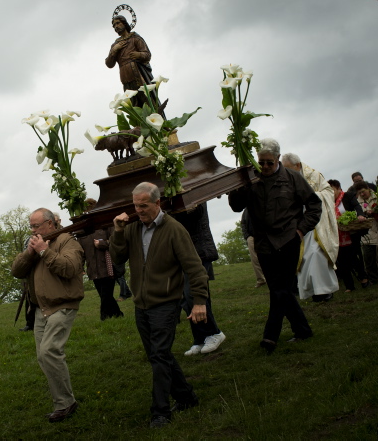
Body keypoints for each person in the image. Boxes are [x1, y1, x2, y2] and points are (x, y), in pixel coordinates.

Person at [109, 182, 208, 428]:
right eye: (136, 206)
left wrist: (199, 302)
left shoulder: (174, 229)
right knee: (158, 355)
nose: (139, 210)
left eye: (144, 206)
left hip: (165, 303)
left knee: (159, 356)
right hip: (141, 304)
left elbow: (195, 268)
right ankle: (186, 397)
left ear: (157, 203)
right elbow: (117, 258)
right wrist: (118, 232)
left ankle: (160, 412)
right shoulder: (131, 229)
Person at [228, 139, 320, 353]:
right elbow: (235, 206)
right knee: (280, 290)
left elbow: (314, 205)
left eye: (270, 162)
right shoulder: (250, 178)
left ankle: (270, 337)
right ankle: (303, 330)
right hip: (263, 243)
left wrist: (301, 229)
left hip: (288, 239)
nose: (266, 167)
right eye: (261, 162)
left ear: (278, 158)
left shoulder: (293, 178)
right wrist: (240, 184)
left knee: (280, 289)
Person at [11, 208, 85, 423]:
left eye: (37, 226)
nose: (33, 230)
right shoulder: (33, 243)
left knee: (49, 351)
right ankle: (63, 402)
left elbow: (70, 269)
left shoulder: (67, 240)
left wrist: (45, 251)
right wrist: (30, 253)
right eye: (31, 226)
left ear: (51, 224)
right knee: (44, 356)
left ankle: (65, 403)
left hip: (62, 304)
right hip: (40, 309)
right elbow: (16, 271)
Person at [280, 153, 339, 302]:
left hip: (317, 223)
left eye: (289, 168)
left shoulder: (314, 175)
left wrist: (311, 196)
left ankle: (324, 290)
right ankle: (312, 291)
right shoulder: (286, 179)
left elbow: (328, 193)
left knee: (316, 254)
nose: (286, 172)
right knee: (304, 257)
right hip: (300, 224)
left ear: (297, 165)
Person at [172, 203, 226, 356]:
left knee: (194, 295)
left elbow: (195, 213)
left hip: (198, 250)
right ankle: (200, 338)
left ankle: (214, 333)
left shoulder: (192, 192)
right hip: (183, 253)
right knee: (187, 298)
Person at [328, 179, 370, 291]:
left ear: (338, 188)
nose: (331, 193)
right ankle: (349, 286)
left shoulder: (347, 196)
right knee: (342, 260)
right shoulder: (328, 202)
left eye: (332, 190)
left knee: (353, 257)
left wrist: (360, 215)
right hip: (337, 234)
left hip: (351, 231)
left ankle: (363, 278)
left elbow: (357, 207)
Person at [105, 15, 153, 109]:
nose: (116, 26)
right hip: (125, 76)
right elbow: (109, 64)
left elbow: (147, 55)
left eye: (118, 23)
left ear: (125, 23)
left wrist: (139, 55)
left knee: (146, 99)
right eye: (114, 25)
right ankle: (138, 123)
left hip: (138, 73)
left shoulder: (135, 38)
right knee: (133, 102)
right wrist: (114, 50)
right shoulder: (115, 45)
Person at [78, 227, 123, 320]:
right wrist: (80, 267)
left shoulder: (105, 226)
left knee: (106, 295)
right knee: (105, 295)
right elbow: (81, 253)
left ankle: (104, 317)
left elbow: (116, 242)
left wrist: (102, 244)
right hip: (93, 270)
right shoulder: (82, 232)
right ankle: (117, 314)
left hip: (108, 268)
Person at [355, 181, 378, 286]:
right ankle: (373, 279)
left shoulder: (376, 196)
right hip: (366, 234)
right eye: (360, 193)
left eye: (363, 192)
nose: (362, 194)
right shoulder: (357, 202)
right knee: (368, 258)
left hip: (376, 228)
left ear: (368, 189)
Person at [241, 208, 266, 288]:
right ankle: (261, 280)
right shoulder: (246, 211)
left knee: (266, 256)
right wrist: (247, 236)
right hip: (251, 237)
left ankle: (271, 278)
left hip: (263, 236)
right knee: (255, 259)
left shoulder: (261, 205)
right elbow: (243, 223)